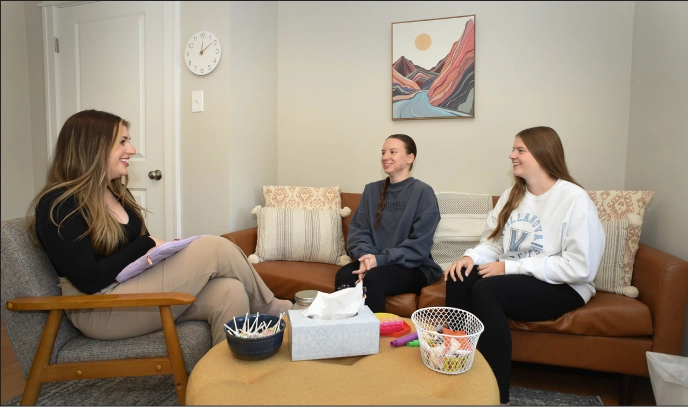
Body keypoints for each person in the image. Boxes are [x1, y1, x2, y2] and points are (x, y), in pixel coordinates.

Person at [27, 109, 292, 346]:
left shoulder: (116, 194)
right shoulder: (59, 204)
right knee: (214, 247)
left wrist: (166, 251)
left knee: (230, 291)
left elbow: (135, 254)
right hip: (99, 308)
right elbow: (88, 279)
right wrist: (148, 244)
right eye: (123, 141)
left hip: (131, 292)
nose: (131, 149)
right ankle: (270, 306)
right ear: (93, 147)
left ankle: (226, 385)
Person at [444, 126, 606, 405]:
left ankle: (496, 394)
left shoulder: (574, 199)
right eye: (513, 149)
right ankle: (457, 365)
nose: (512, 155)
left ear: (543, 154)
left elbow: (580, 268)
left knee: (486, 290)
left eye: (520, 150)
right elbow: (495, 244)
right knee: (460, 276)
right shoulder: (513, 195)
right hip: (514, 277)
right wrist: (471, 257)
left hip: (565, 286)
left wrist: (511, 268)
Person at [334, 134, 442, 312]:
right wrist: (367, 258)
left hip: (414, 267)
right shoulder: (371, 190)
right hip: (374, 261)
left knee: (374, 278)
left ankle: (375, 337)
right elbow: (358, 232)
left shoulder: (423, 192)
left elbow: (419, 245)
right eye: (383, 152)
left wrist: (379, 260)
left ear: (410, 157)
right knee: (344, 275)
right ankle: (346, 334)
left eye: (393, 152)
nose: (385, 157)